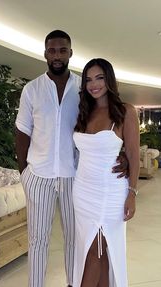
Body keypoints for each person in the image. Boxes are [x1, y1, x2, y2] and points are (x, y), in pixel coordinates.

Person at [15, 30, 128, 287]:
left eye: (62, 50)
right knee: (37, 240)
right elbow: (22, 132)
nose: (57, 55)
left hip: (74, 177)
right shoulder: (31, 89)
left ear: (70, 53)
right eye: (52, 50)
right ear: (45, 53)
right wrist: (24, 173)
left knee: (75, 240)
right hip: (39, 176)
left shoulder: (83, 89)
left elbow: (105, 122)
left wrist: (123, 154)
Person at [72, 58, 140, 287]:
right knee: (96, 254)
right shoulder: (84, 111)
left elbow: (132, 154)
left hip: (110, 192)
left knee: (96, 251)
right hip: (82, 191)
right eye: (89, 79)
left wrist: (132, 193)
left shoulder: (126, 111)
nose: (94, 84)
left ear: (109, 79)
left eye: (99, 77)